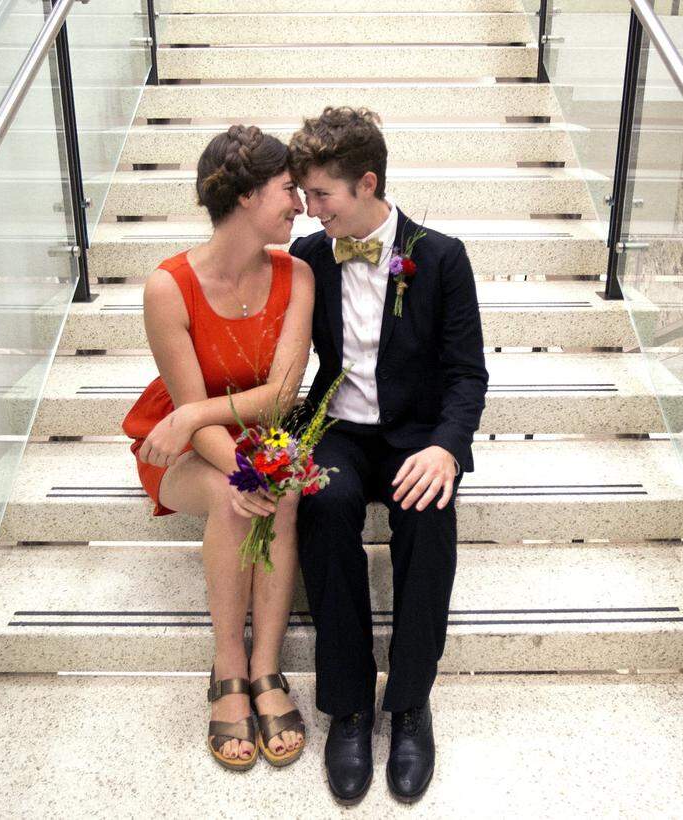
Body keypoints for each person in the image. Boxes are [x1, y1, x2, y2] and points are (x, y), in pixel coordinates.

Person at [287, 107, 488, 804]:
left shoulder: (439, 256)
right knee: (326, 500)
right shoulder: (310, 258)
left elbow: (468, 376)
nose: (309, 212)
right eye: (306, 196)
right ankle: (346, 705)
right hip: (339, 430)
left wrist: (447, 449)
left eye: (321, 196)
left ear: (367, 183)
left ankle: (409, 704)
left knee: (428, 513)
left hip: (415, 434)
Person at [122, 125, 315, 771]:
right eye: (289, 189)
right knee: (240, 503)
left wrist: (204, 417)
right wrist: (236, 467)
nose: (300, 203)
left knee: (280, 498)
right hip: (178, 447)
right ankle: (228, 666)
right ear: (245, 196)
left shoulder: (298, 274)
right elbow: (184, 416)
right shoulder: (167, 287)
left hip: (245, 432)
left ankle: (267, 670)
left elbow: (284, 395)